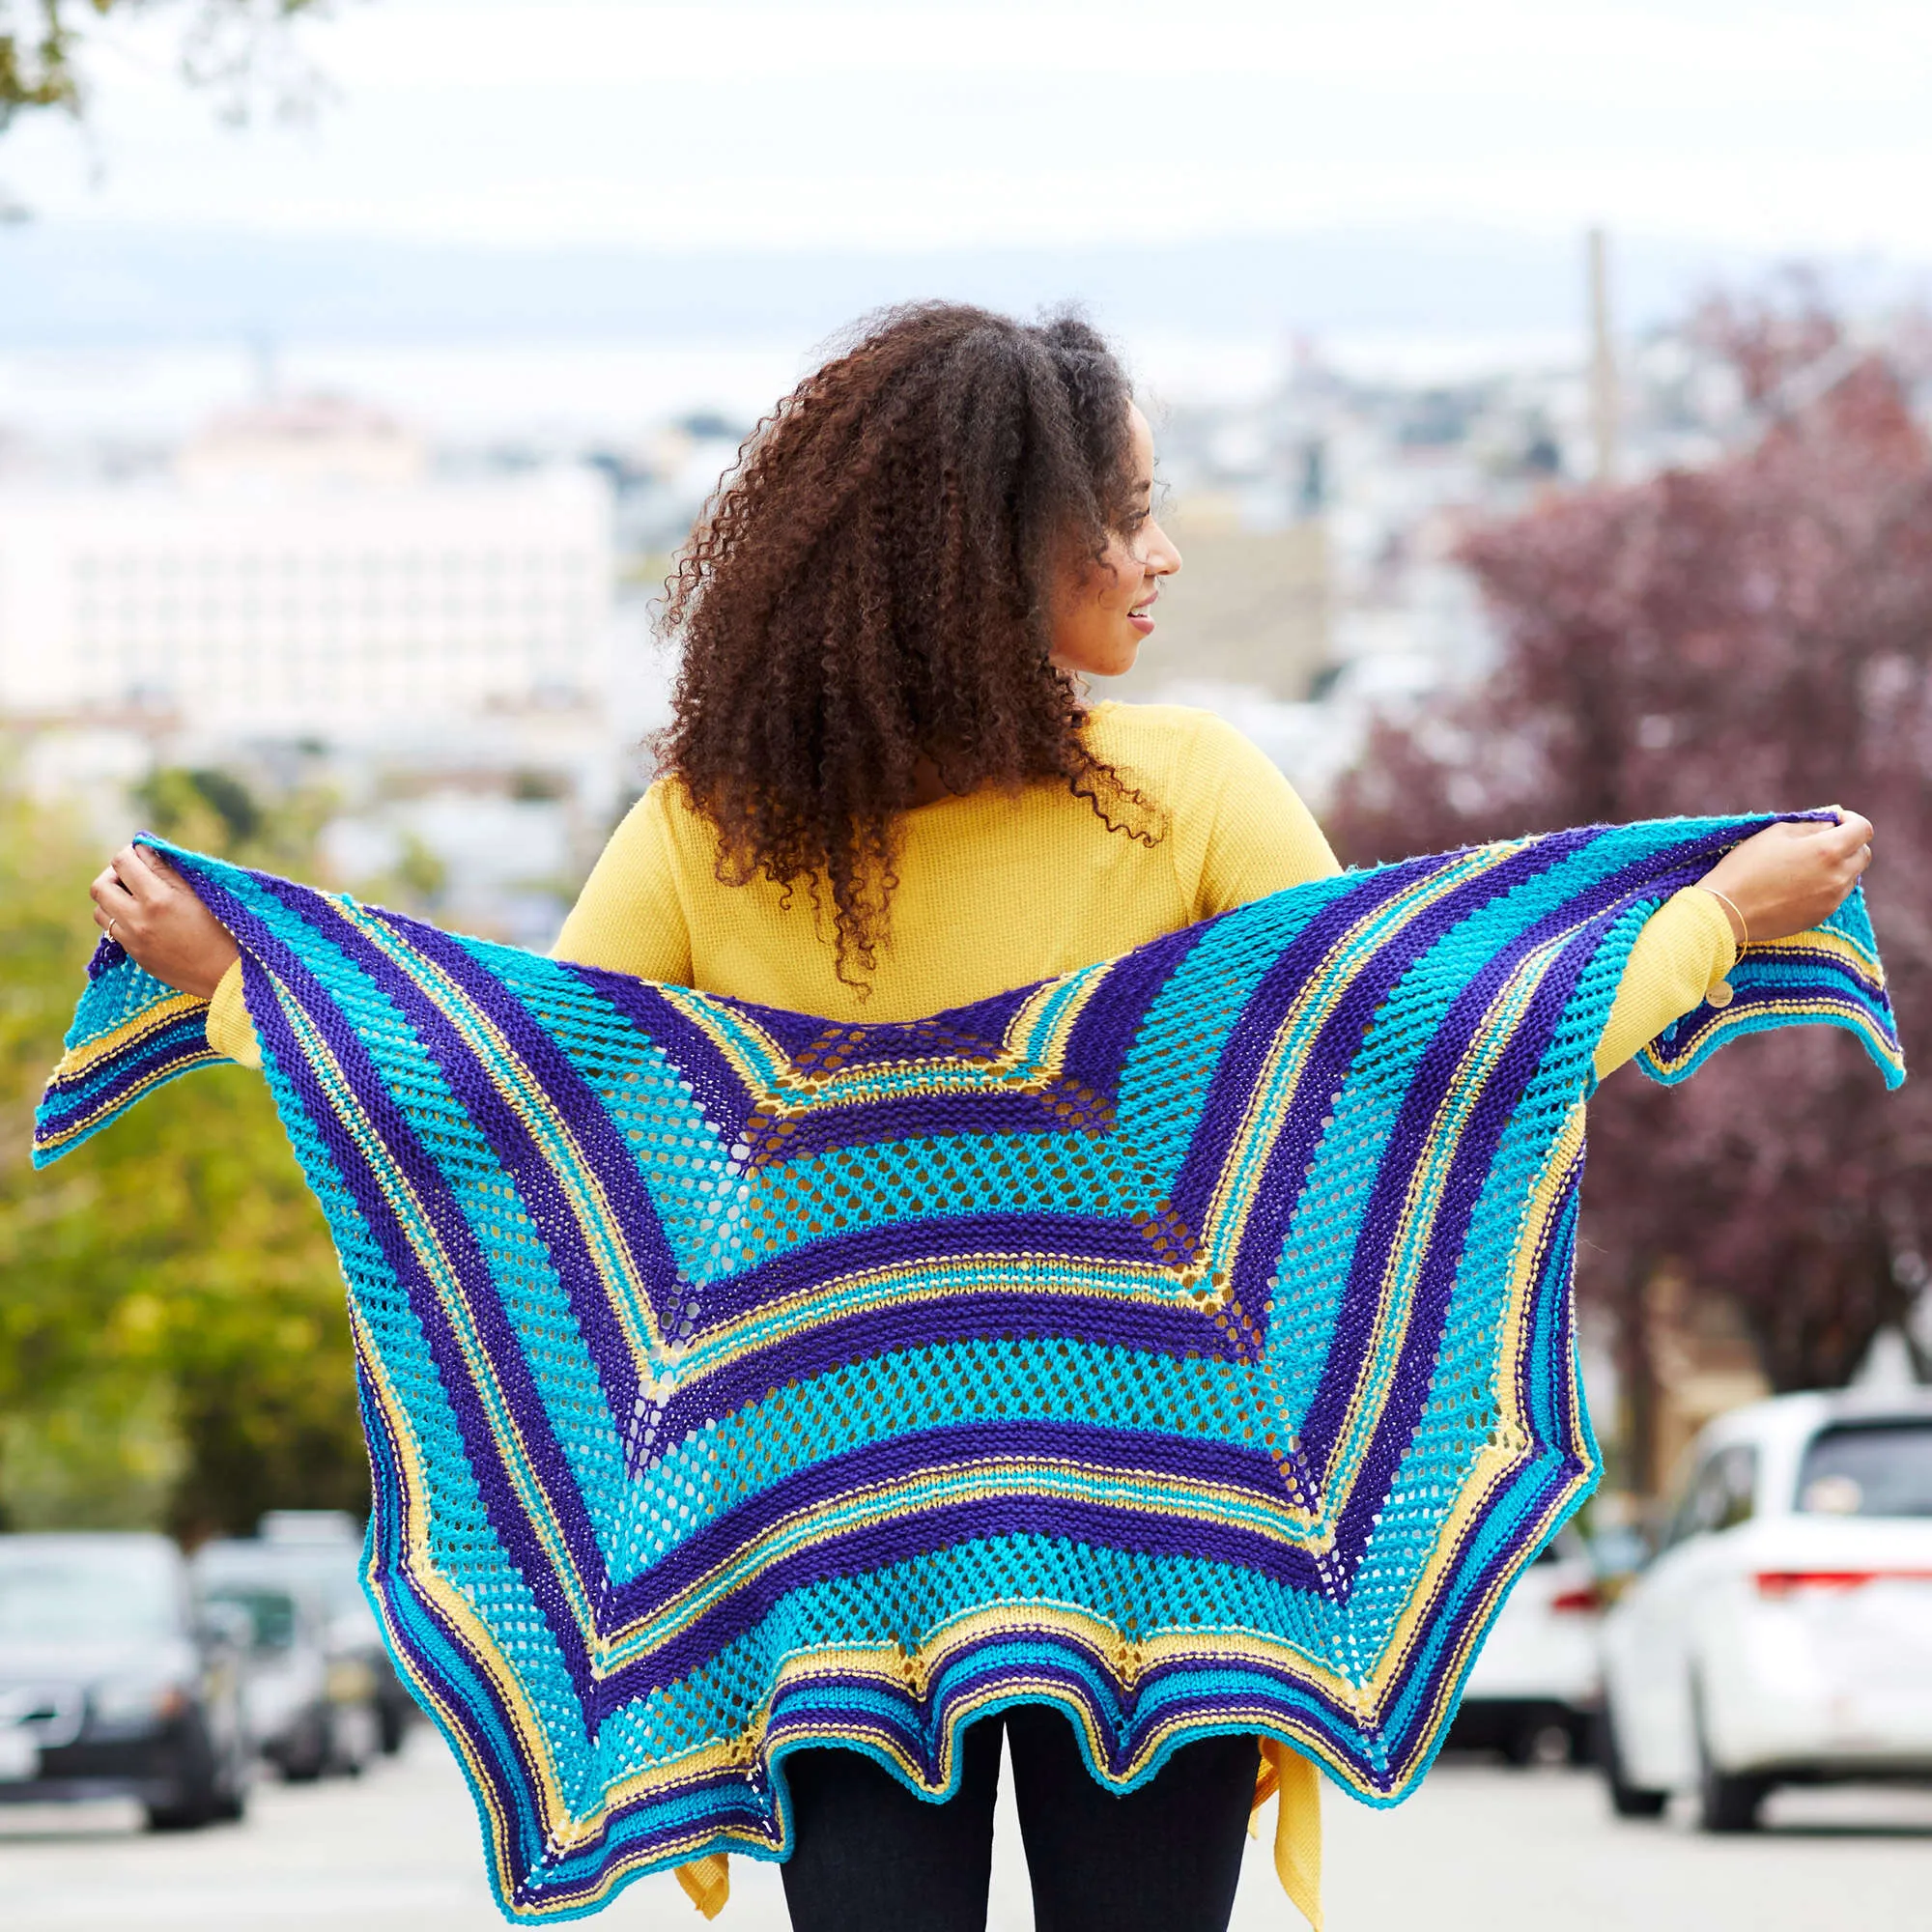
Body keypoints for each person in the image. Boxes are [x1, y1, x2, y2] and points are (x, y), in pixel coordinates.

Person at [89, 304, 1874, 1932]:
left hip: (936, 1525)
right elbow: (534, 1088)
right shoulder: (772, 823)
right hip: (1035, 1530)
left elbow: (1397, 1033)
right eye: (1132, 512)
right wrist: (1717, 925)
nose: (1164, 552)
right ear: (1004, 550)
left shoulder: (1098, 796)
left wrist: (244, 993)